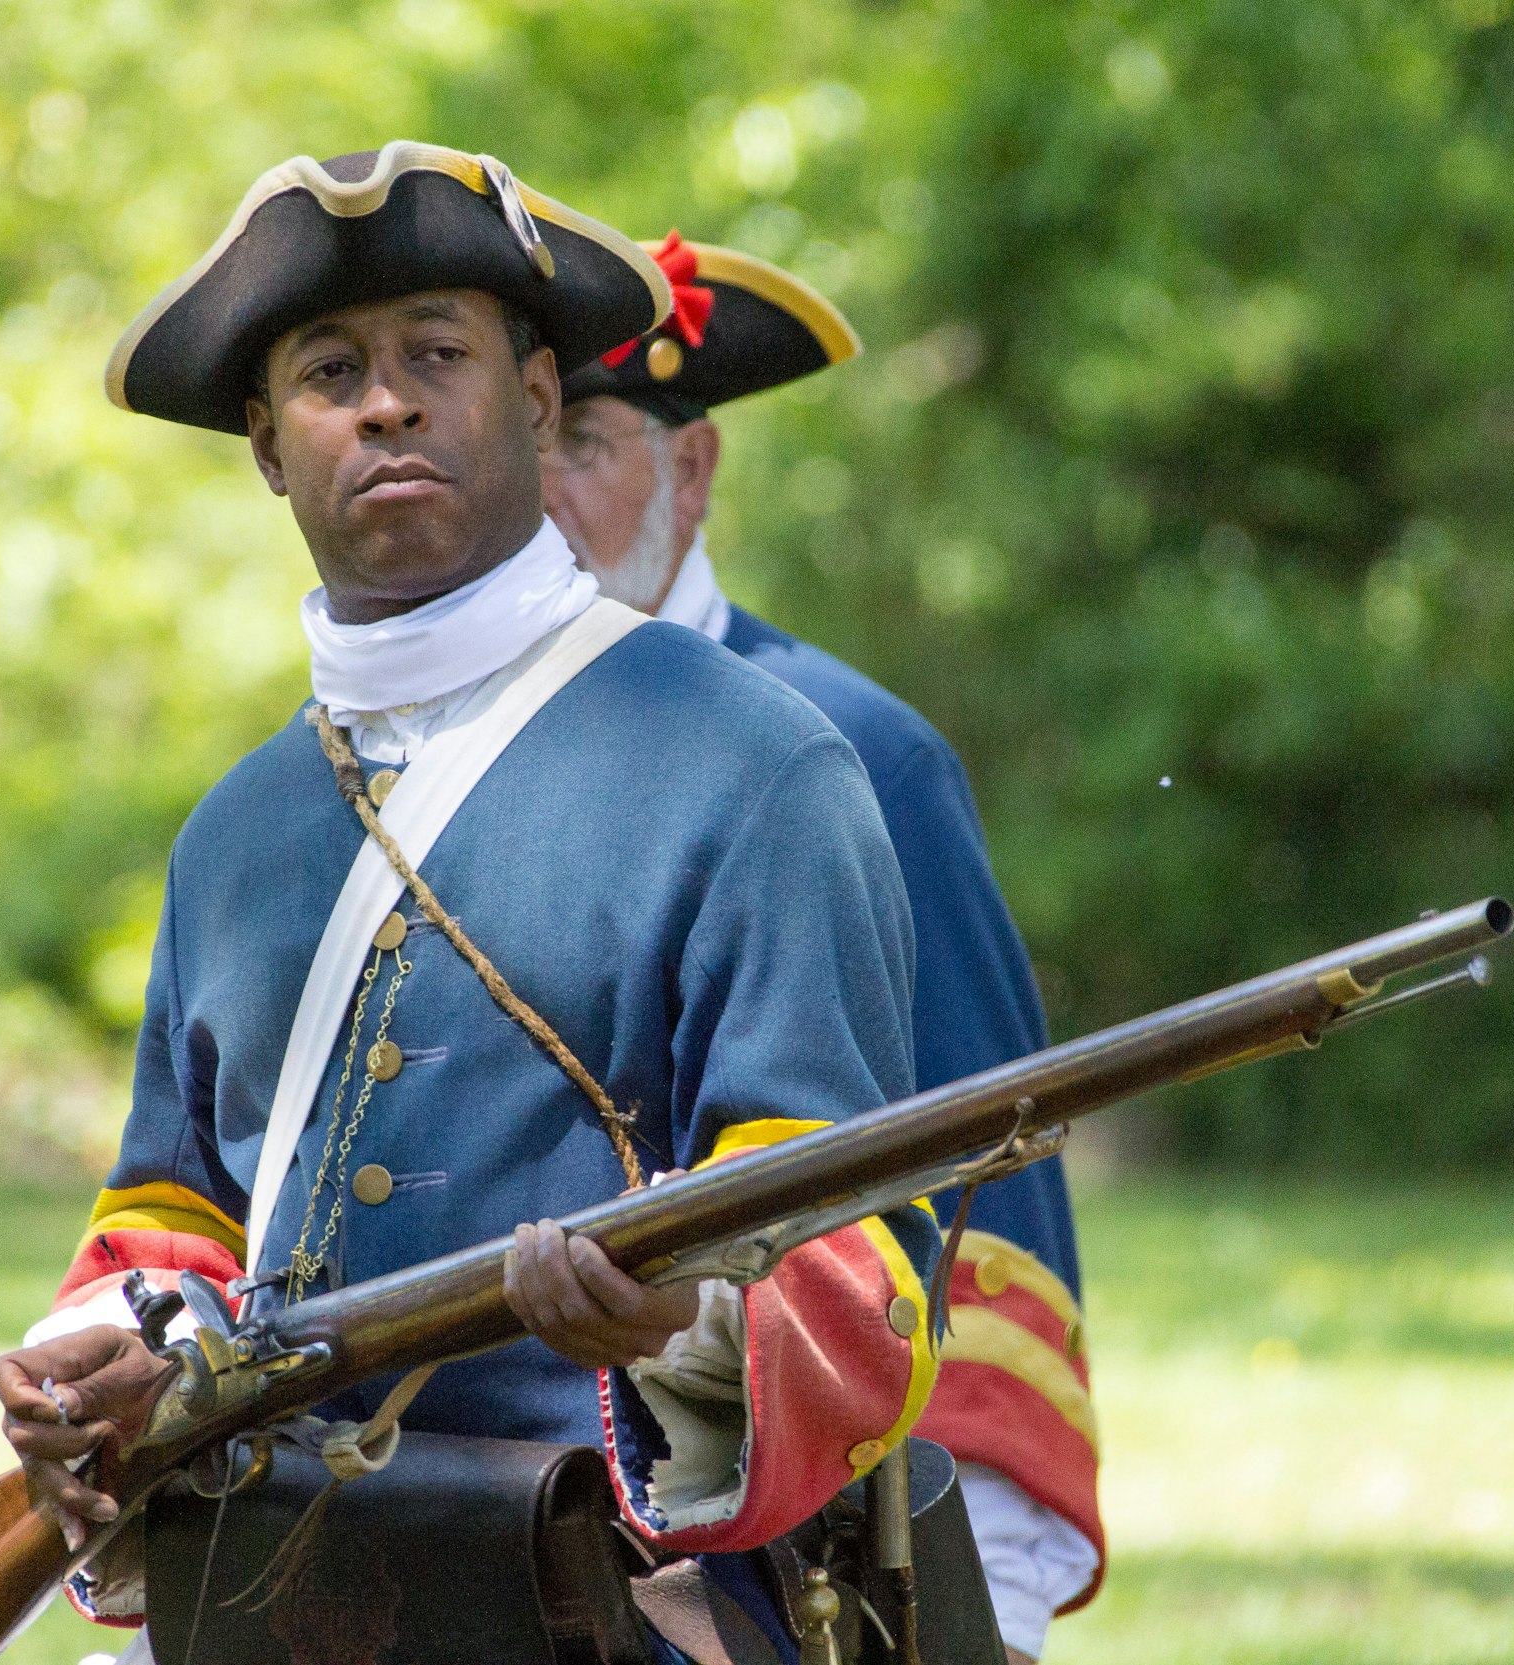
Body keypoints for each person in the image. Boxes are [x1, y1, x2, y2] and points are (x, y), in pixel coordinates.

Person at [0, 144, 943, 1663]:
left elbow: (849, 1252)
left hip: (622, 1600)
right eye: (331, 370)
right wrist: (96, 1367)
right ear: (265, 442)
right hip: (266, 1588)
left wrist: (674, 1319)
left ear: (541, 394)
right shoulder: (233, 831)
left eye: (439, 353)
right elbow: (168, 1214)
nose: (387, 402)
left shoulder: (756, 763)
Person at [543, 232, 1104, 1661]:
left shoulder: (857, 756)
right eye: (523, 437)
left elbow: (981, 1201)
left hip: (759, 1512)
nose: (541, 498)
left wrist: (1006, 1579)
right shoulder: (415, 766)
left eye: (589, 444)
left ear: (693, 470)